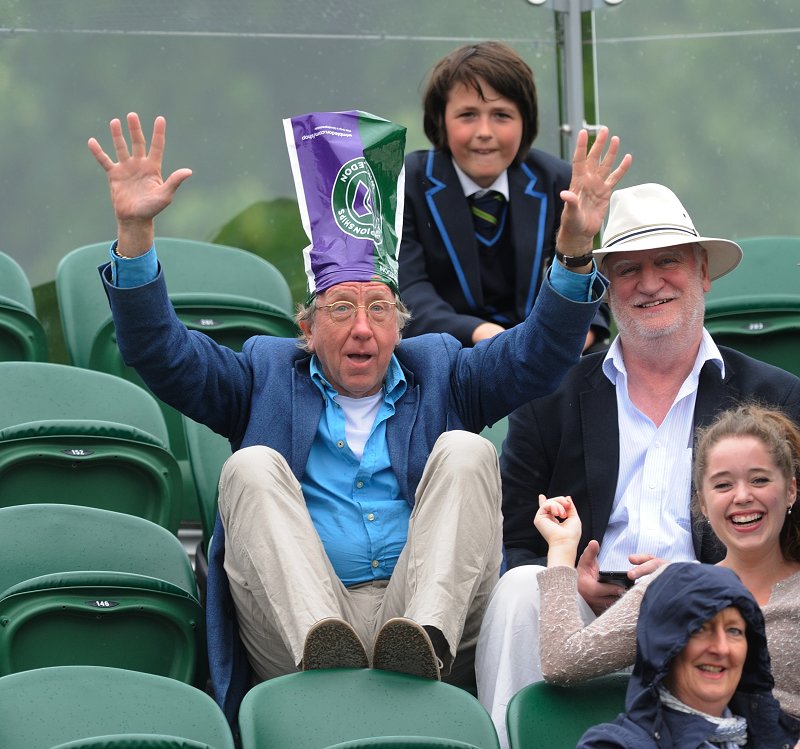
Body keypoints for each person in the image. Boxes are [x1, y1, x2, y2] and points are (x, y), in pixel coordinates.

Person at [87, 110, 630, 724]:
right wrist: (134, 235)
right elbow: (160, 352)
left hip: (432, 622)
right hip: (298, 633)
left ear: (402, 325)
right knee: (251, 468)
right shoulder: (263, 375)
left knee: (467, 451)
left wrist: (577, 248)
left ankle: (415, 649)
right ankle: (329, 662)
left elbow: (538, 356)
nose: (363, 328)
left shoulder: (442, 370)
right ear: (308, 327)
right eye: (341, 307)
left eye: (379, 308)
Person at [475, 183, 800, 747]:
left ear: (703, 272)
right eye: (628, 270)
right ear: (606, 291)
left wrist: (701, 583)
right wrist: (567, 576)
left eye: (667, 262)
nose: (649, 284)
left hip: (720, 616)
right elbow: (513, 539)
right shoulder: (548, 397)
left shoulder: (779, 398)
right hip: (586, 611)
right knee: (520, 588)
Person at [489, 403, 800, 748]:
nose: (743, 496)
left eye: (759, 480)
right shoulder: (676, 589)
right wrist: (563, 548)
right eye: (723, 485)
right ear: (701, 500)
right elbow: (563, 659)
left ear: (790, 490)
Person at [399, 40, 609, 351]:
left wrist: (563, 345)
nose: (485, 131)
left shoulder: (560, 183)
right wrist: (482, 333)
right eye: (468, 115)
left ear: (525, 122)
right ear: (440, 120)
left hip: (541, 354)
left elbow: (593, 299)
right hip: (443, 357)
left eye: (501, 115)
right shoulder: (408, 182)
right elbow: (407, 290)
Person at [577, 561, 800, 748]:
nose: (721, 648)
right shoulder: (614, 745)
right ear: (662, 642)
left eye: (734, 631)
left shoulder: (784, 738)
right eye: (700, 629)